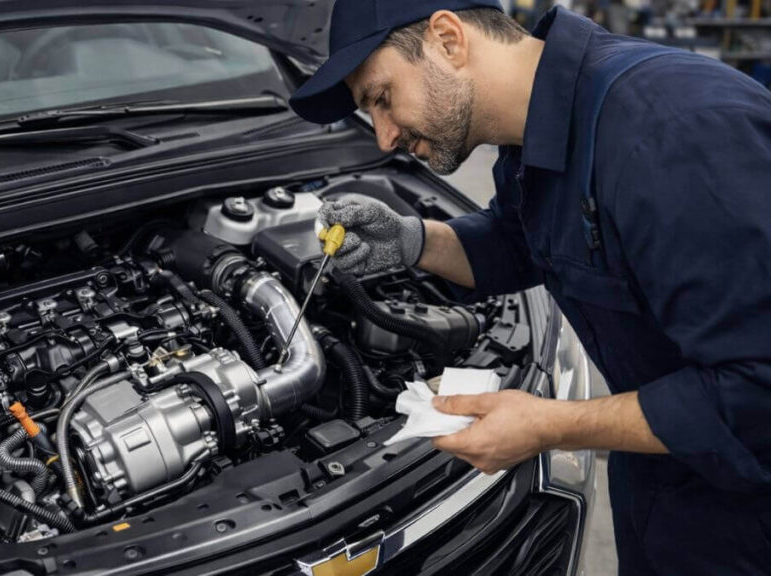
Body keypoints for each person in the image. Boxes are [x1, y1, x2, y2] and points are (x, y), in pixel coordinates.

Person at [288, 0, 771, 574]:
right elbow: (522, 243)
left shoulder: (673, 134)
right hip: (663, 480)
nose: (385, 137)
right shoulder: (532, 132)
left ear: (448, 39)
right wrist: (415, 240)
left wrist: (553, 424)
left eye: (382, 98)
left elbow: (758, 390)